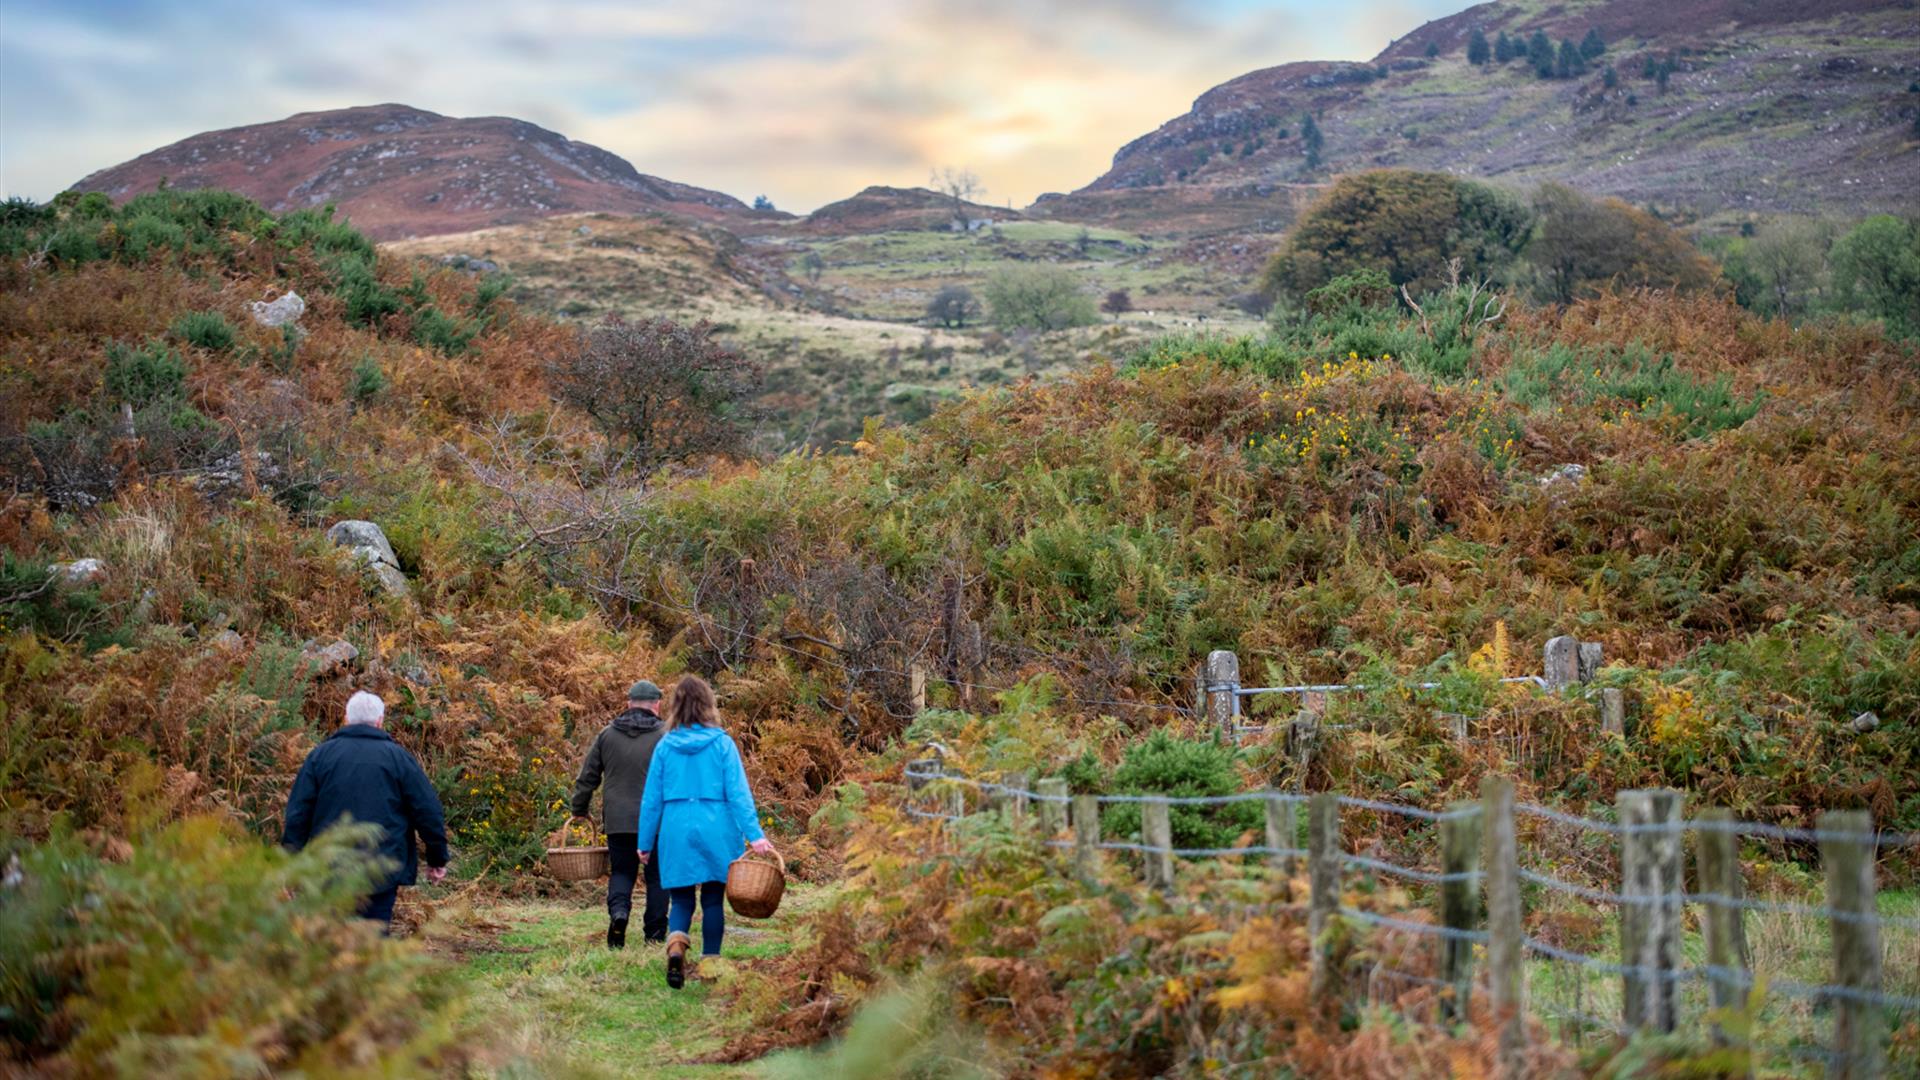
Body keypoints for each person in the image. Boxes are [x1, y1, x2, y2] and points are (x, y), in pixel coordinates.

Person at [635, 676, 776, 989]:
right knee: (713, 899)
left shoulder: (664, 747)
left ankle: (675, 948)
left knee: (681, 899)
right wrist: (755, 835)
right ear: (708, 704)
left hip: (675, 826)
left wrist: (645, 842)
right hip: (716, 825)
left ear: (675, 706)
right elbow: (738, 794)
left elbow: (651, 799)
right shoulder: (722, 744)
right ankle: (711, 962)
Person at [282, 690, 449, 928]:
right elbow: (427, 811)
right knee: (374, 934)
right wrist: (437, 858)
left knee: (331, 936)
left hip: (329, 865)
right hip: (381, 867)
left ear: (347, 719)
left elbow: (298, 813)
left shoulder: (320, 757)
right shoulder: (398, 759)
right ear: (380, 721)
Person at [569, 679, 669, 949]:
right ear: (657, 705)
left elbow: (587, 777)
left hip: (618, 820)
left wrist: (579, 808)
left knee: (622, 872)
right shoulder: (666, 736)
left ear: (628, 704)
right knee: (658, 877)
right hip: (659, 821)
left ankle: (619, 915)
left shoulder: (607, 735)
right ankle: (655, 934)